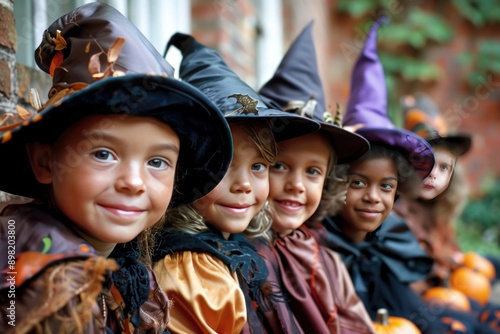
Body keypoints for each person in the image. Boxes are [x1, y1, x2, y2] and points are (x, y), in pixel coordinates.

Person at [0, 3, 233, 333]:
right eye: (103, 154)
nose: (134, 182)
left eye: (157, 162)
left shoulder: (126, 267)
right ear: (44, 162)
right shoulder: (50, 286)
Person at [151, 32, 320, 334]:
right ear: (187, 171)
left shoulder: (236, 248)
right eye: (224, 166)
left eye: (258, 166)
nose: (244, 184)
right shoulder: (190, 267)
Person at [249, 21, 375, 333]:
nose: (296, 185)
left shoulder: (326, 261)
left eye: (313, 172)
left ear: (328, 181)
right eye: (279, 166)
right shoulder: (240, 258)